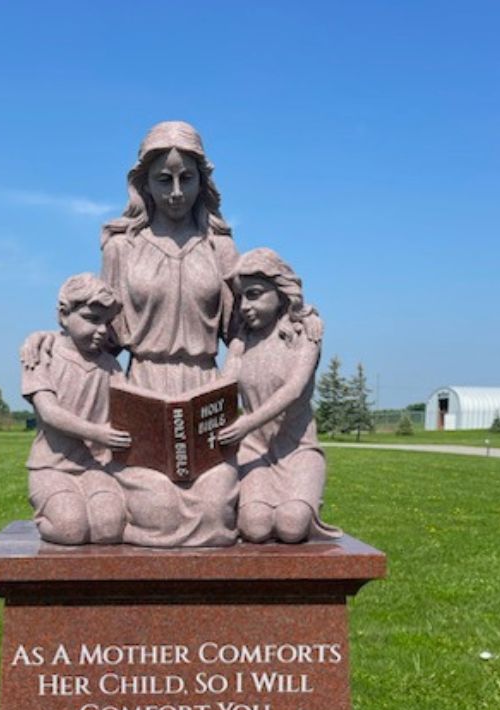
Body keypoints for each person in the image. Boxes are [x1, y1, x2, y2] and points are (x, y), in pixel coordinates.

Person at [99, 121, 240, 545]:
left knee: (215, 515)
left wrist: (294, 329)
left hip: (206, 395)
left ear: (202, 182)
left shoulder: (221, 248)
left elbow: (241, 333)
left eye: (187, 179)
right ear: (144, 183)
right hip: (143, 393)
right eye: (164, 180)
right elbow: (99, 335)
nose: (176, 192)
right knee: (157, 512)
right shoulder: (121, 248)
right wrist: (48, 347)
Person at [216, 249, 343, 543]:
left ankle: (304, 499)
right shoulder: (242, 342)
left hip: (297, 449)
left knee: (291, 525)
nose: (246, 306)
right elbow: (223, 387)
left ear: (281, 292)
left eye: (255, 294)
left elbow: (294, 389)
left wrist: (245, 423)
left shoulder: (304, 335)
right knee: (256, 526)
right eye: (241, 298)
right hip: (254, 452)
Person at [20, 274, 130, 544]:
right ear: (63, 315)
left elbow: (130, 407)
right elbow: (49, 412)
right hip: (52, 467)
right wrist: (99, 433)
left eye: (107, 322)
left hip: (96, 467)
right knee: (71, 529)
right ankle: (47, 515)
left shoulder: (110, 366)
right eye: (92, 319)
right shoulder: (42, 356)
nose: (103, 330)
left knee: (109, 528)